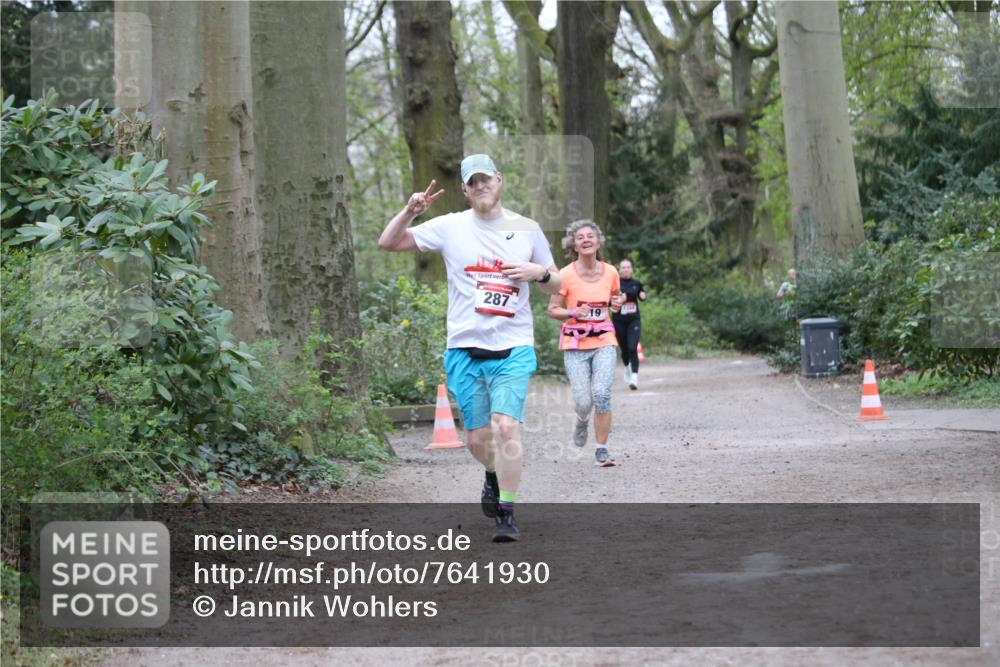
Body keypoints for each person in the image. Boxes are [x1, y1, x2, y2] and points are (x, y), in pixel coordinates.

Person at [378, 154, 561, 542]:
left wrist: (538, 273)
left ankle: (507, 513)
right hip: (463, 348)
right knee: (479, 441)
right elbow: (389, 242)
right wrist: (409, 211)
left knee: (507, 428)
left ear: (499, 180)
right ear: (464, 189)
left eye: (486, 179)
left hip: (512, 347)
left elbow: (557, 283)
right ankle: (491, 475)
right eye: (472, 182)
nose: (480, 186)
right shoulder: (449, 227)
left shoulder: (527, 230)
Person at [547, 220, 624, 467]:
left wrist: (617, 304)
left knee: (601, 394)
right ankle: (581, 420)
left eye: (590, 235)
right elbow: (552, 309)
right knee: (584, 401)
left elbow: (615, 299)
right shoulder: (565, 275)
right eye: (580, 237)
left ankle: (601, 449)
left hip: (604, 340)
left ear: (598, 242)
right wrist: (572, 314)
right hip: (575, 344)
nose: (586, 239)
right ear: (574, 245)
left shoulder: (611, 272)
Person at [611, 258, 646, 390]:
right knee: (624, 349)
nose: (626, 269)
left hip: (633, 320)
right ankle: (627, 368)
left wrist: (642, 295)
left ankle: (634, 377)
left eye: (628, 267)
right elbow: (611, 299)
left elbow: (641, 294)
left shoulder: (636, 283)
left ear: (631, 269)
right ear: (619, 270)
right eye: (623, 267)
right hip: (619, 321)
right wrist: (620, 298)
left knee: (632, 347)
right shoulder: (616, 284)